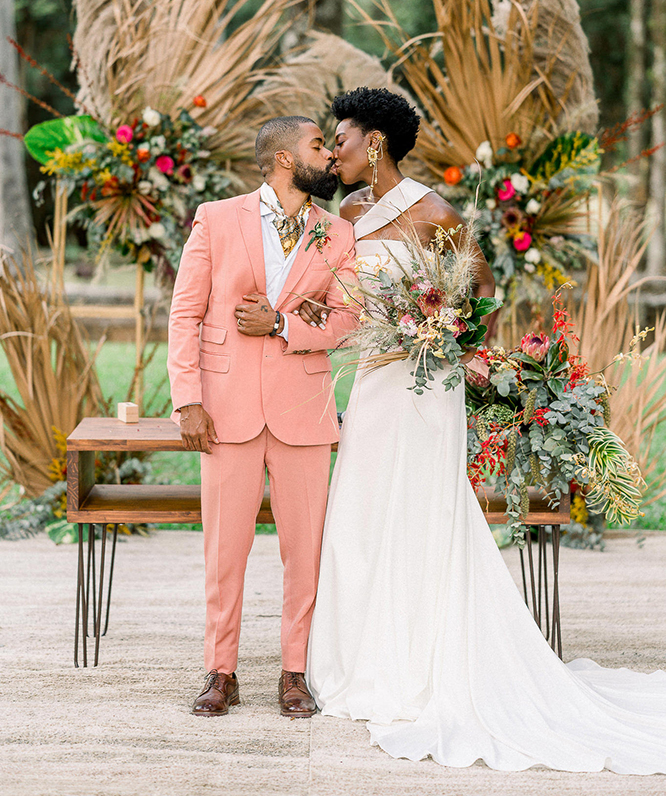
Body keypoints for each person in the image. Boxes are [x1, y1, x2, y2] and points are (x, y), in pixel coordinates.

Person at [306, 86, 666, 773]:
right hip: (373, 382)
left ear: (374, 141)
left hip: (424, 387)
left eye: (342, 138)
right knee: (359, 513)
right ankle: (358, 657)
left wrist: (447, 340)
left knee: (419, 511)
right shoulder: (345, 211)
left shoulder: (435, 213)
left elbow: (483, 294)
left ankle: (420, 662)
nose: (336, 151)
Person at [167, 116, 358, 718]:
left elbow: (347, 321)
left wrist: (282, 325)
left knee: (305, 551)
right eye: (318, 146)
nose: (330, 155)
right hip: (224, 412)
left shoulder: (337, 232)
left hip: (303, 408)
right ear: (282, 159)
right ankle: (220, 671)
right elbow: (185, 315)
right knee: (225, 550)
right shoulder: (217, 219)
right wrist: (188, 400)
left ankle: (295, 673)